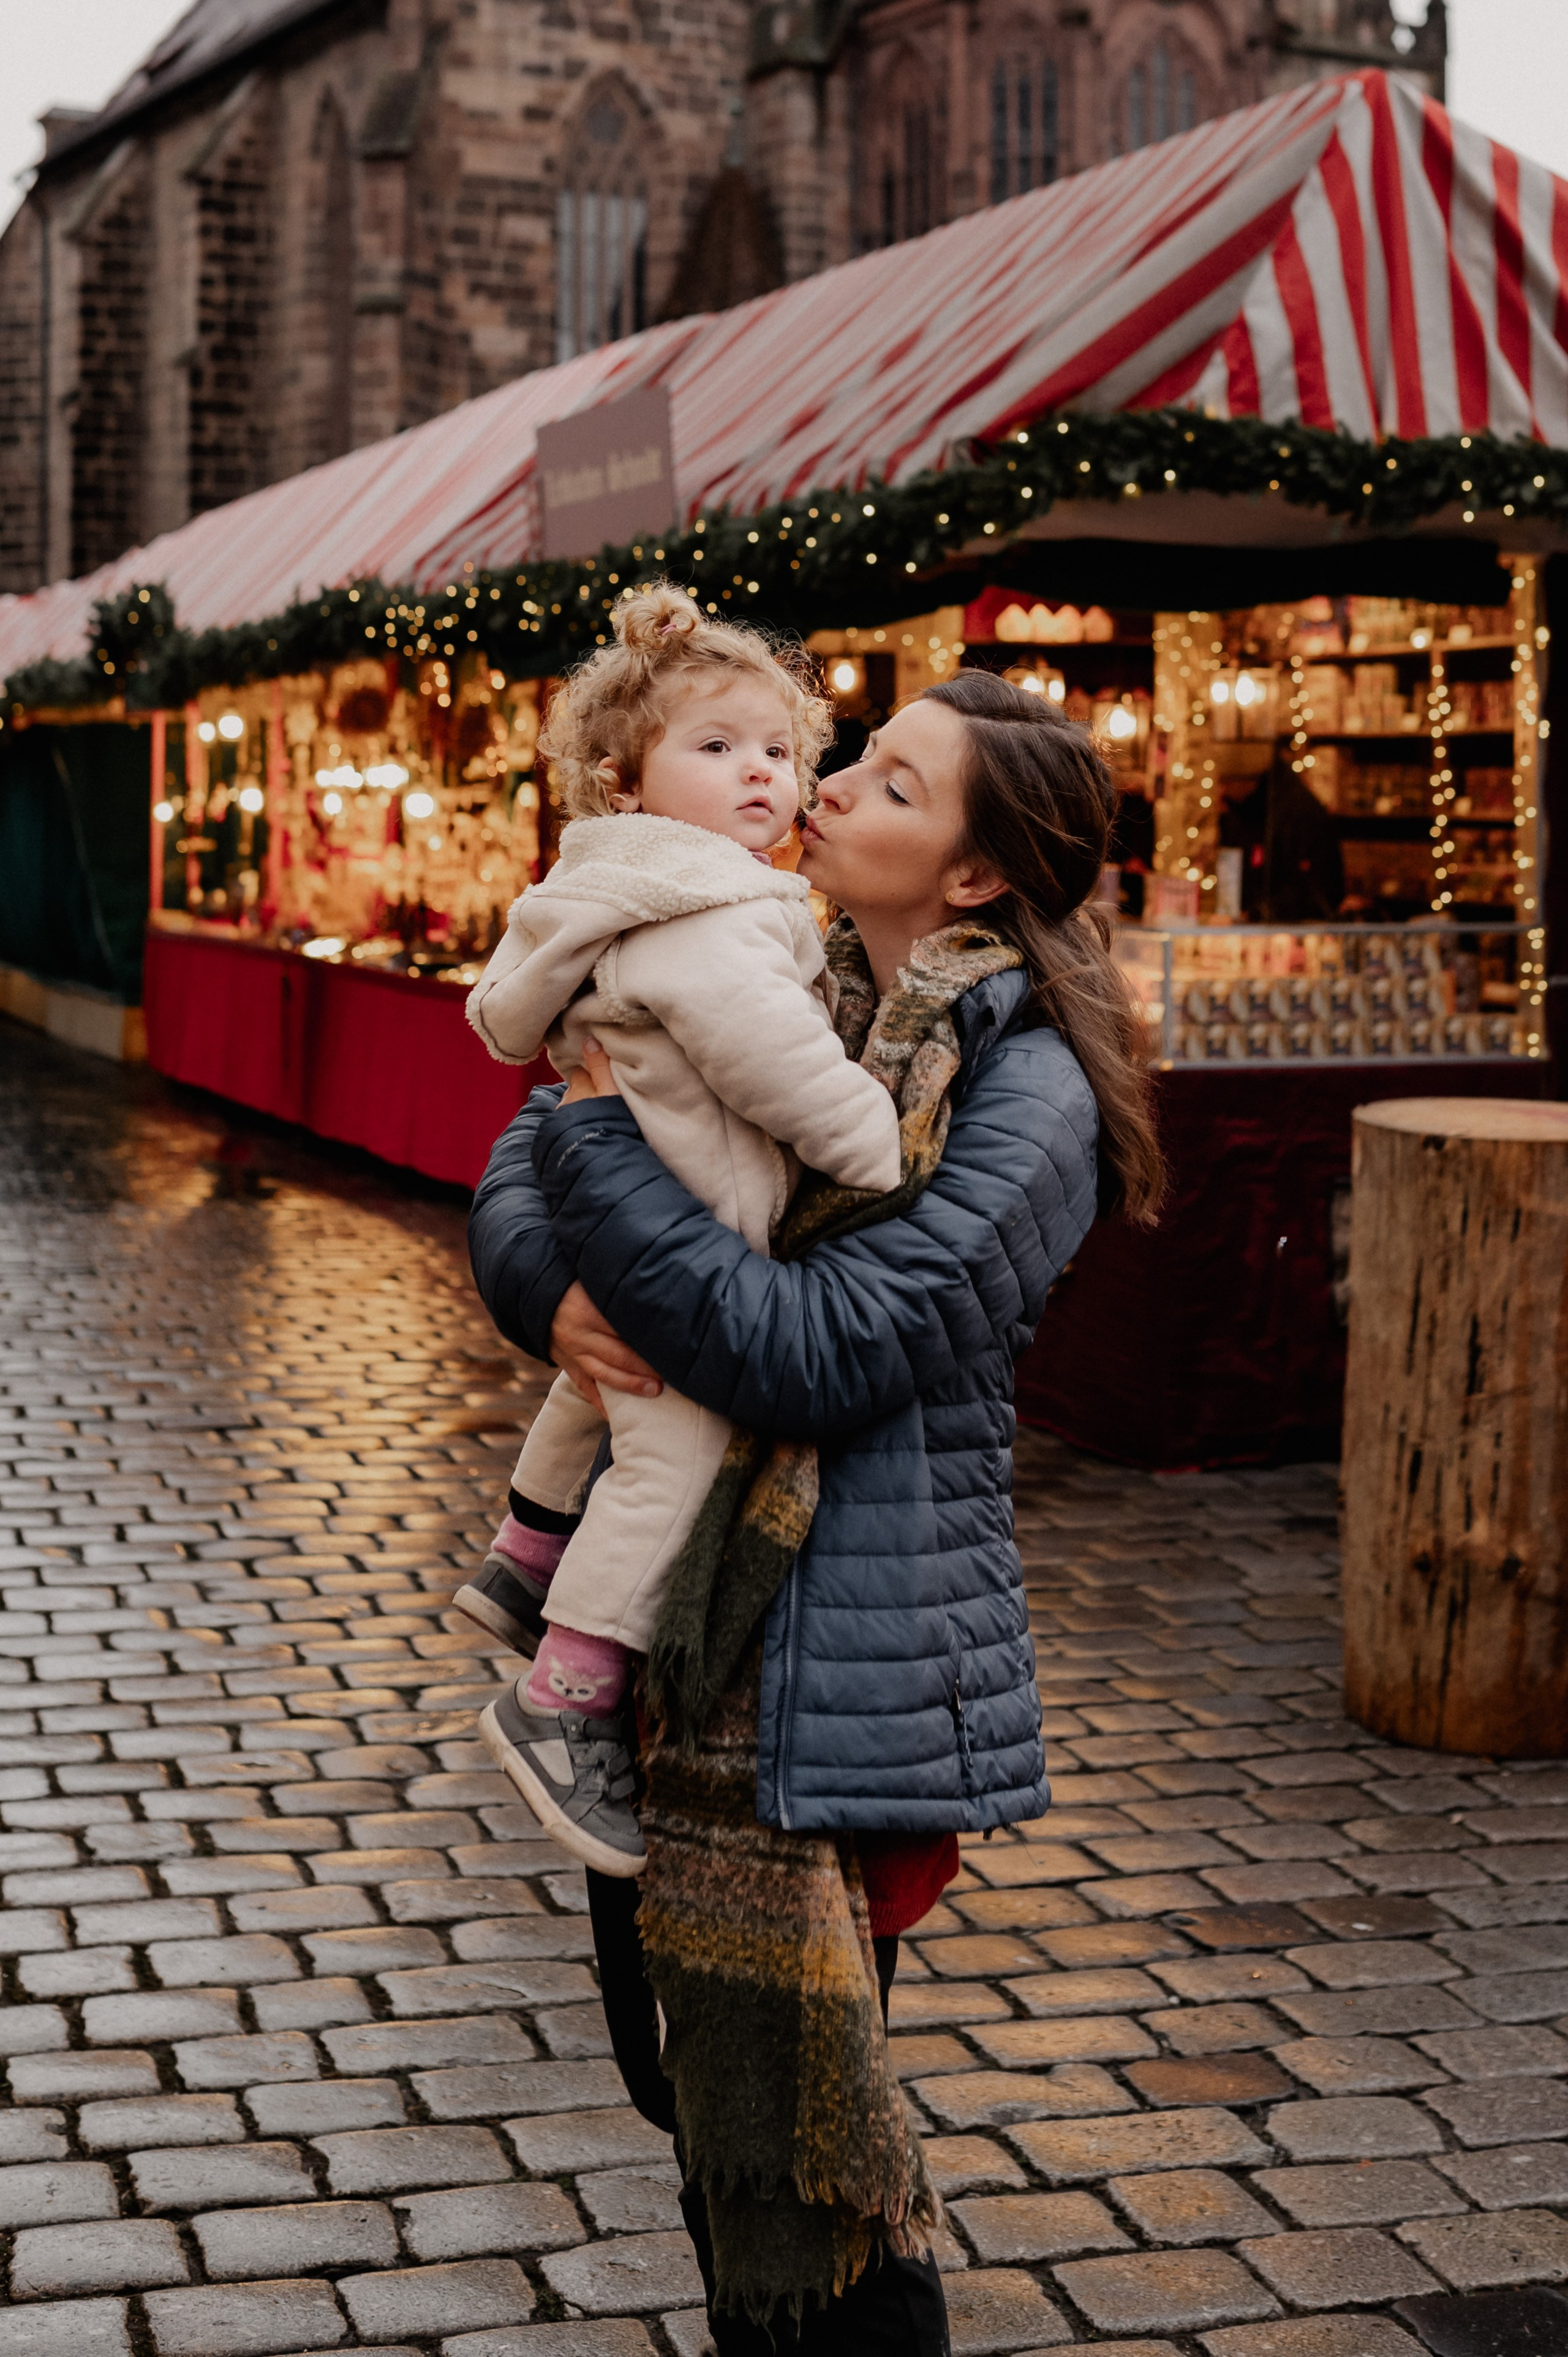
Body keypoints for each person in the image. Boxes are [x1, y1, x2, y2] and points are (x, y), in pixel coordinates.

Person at [468, 670, 1165, 2353]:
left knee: (801, 2157)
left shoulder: (1029, 1094)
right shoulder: (769, 961)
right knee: (696, 2105)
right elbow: (525, 1134)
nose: (828, 784)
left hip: (835, 1679)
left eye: (892, 785)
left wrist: (596, 1158)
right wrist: (547, 1289)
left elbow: (819, 1346)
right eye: (850, 756)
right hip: (681, 1650)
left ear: (975, 873)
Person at [456, 586, 901, 1875]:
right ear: (626, 779)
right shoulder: (707, 914)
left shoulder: (620, 892)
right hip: (693, 1236)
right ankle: (565, 1694)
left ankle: (526, 1551)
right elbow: (780, 1065)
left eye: (776, 747)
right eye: (714, 746)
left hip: (637, 1225)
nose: (761, 771)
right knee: (679, 1450)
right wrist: (873, 1141)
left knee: (594, 1386)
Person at [1218, 756, 1344, 920]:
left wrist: (1253, 916)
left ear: (1248, 780)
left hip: (1294, 927)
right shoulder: (1242, 812)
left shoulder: (1296, 812)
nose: (1222, 790)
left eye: (1226, 782)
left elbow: (1313, 892)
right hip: (1256, 923)